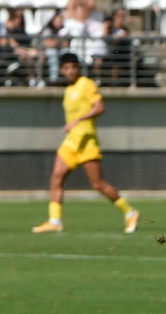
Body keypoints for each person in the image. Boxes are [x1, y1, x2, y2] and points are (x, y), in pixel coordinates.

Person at [31, 52, 139, 234]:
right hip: (71, 142)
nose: (70, 71)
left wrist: (78, 120)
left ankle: (129, 212)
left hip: (87, 141)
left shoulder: (86, 85)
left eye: (73, 67)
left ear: (78, 68)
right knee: (56, 177)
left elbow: (100, 107)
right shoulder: (69, 89)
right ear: (62, 70)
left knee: (98, 184)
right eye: (66, 68)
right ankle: (55, 220)